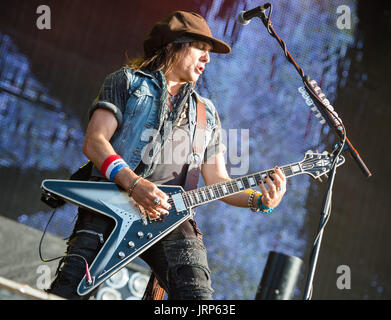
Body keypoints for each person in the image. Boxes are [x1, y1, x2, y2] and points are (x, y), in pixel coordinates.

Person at [47, 10, 287, 300]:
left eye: (210, 52)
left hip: (172, 220)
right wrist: (135, 184)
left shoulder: (206, 113)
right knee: (69, 293)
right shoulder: (127, 82)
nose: (207, 59)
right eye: (201, 48)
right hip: (109, 209)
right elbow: (95, 142)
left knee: (198, 300)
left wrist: (260, 200)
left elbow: (217, 180)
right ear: (175, 44)